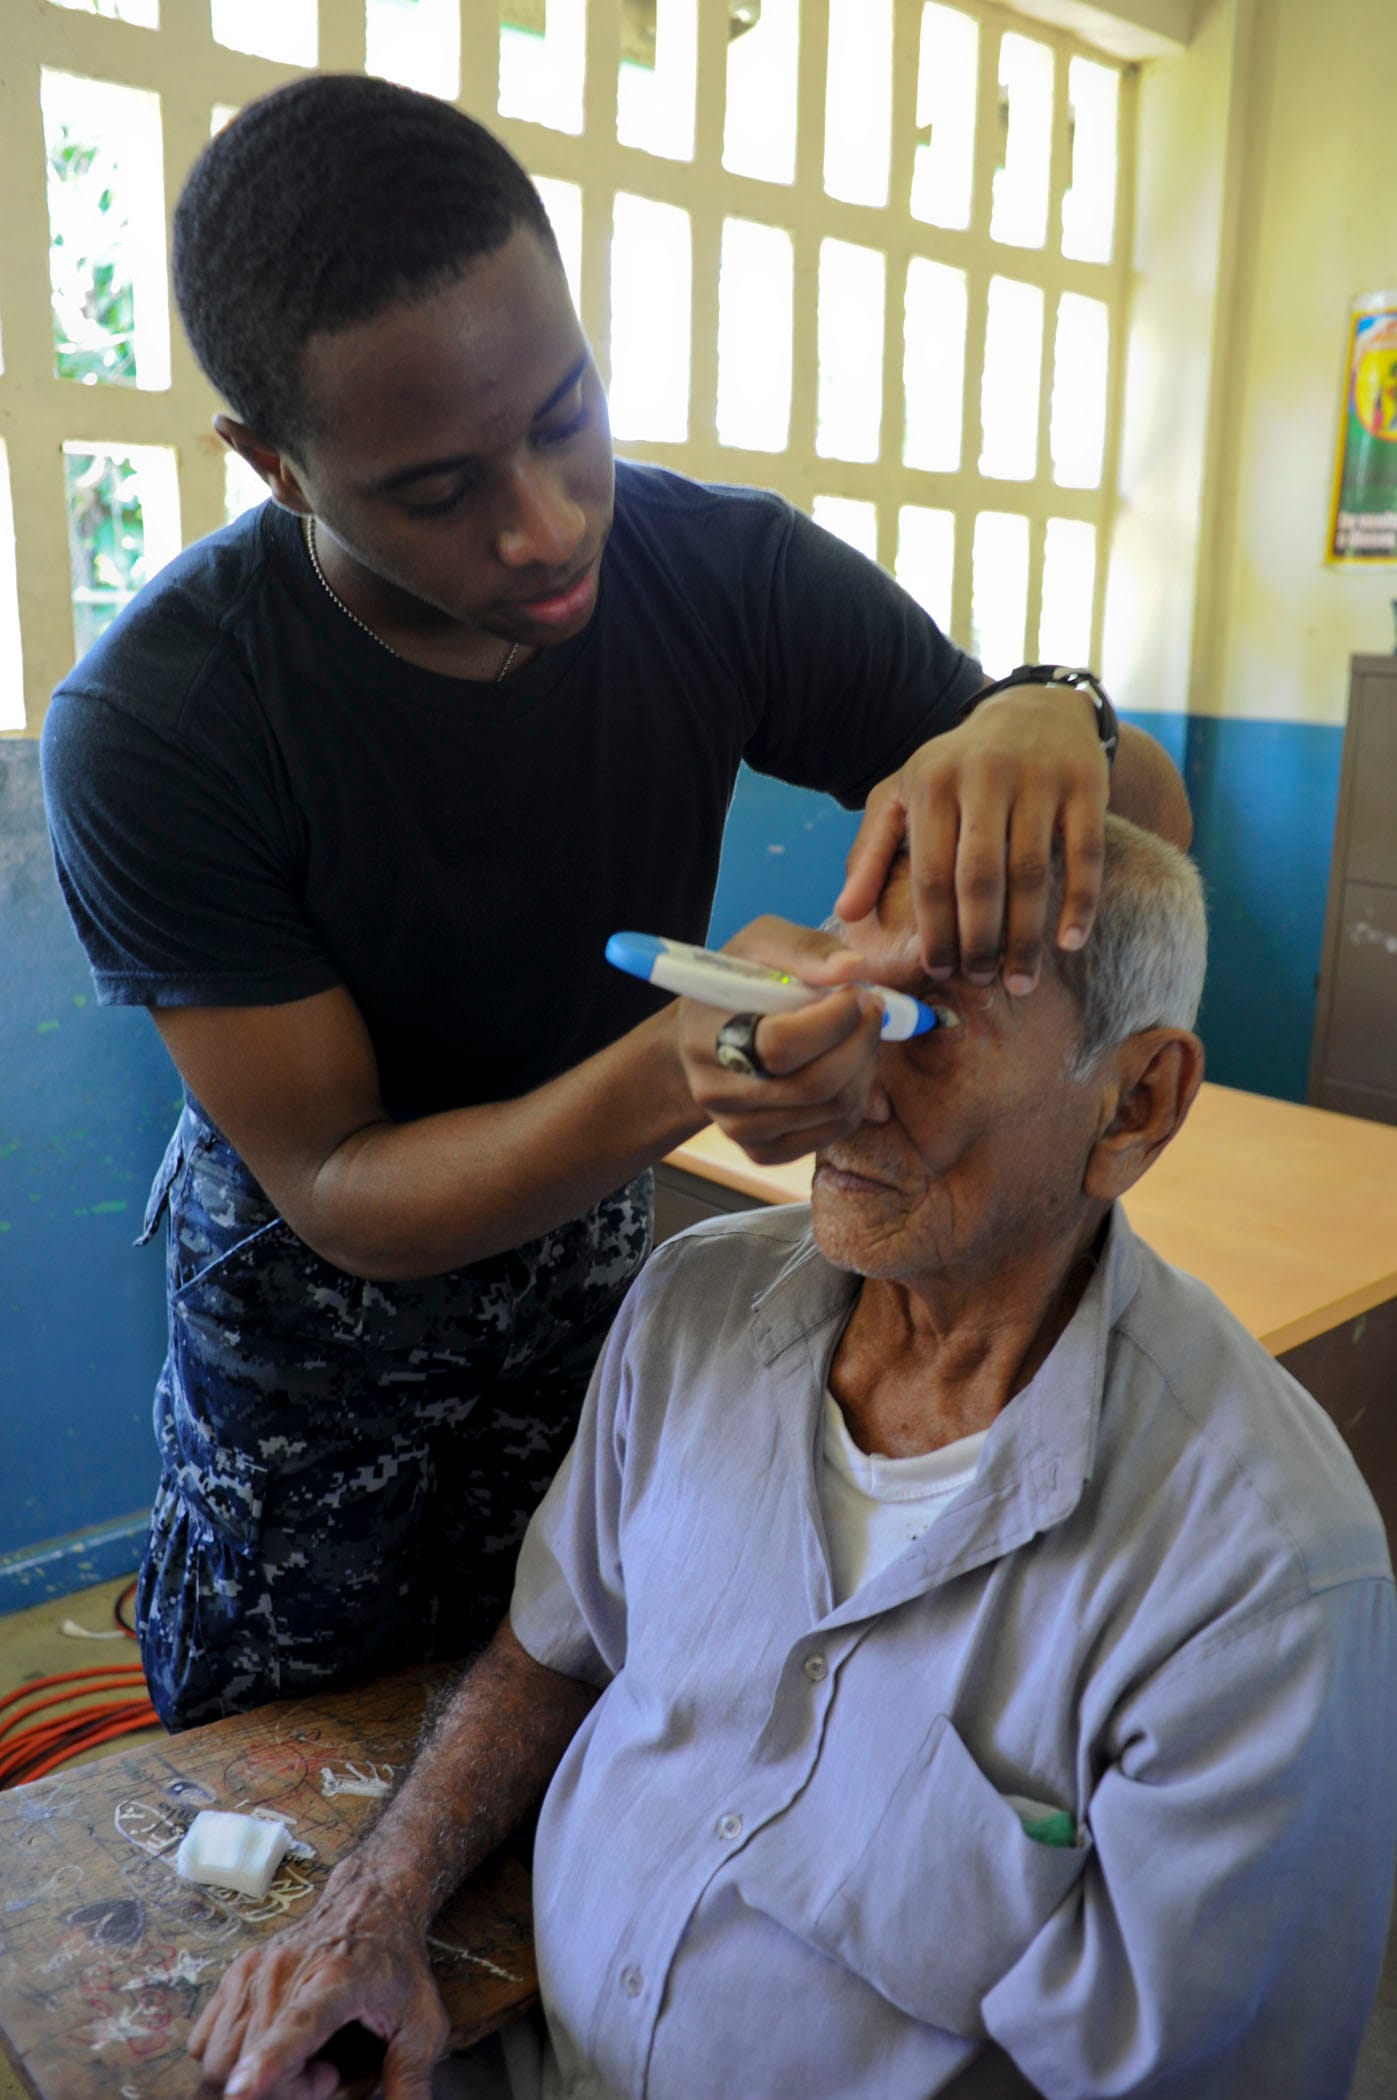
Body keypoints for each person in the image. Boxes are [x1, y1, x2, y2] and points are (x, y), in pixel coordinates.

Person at [40, 72, 1191, 1733]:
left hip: (586, 1275)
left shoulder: (722, 576)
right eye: (437, 491)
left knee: (575, 1703)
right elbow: (343, 1185)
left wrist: (1048, 717)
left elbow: (1145, 826)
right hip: (311, 1333)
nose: (548, 522)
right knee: (284, 1794)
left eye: (565, 413)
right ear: (275, 467)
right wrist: (670, 1073)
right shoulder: (162, 722)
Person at [187, 816, 1396, 2100]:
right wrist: (375, 1904)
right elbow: (549, 1651)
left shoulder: (1259, 1575)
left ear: (1135, 1102)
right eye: (823, 1008)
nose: (825, 1085)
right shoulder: (697, 1306)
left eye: (921, 1028)